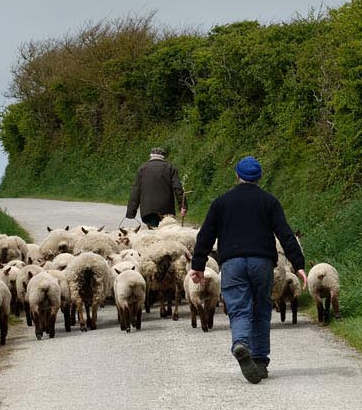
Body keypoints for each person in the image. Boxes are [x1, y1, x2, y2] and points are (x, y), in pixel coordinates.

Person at [190, 156, 305, 384]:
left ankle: (241, 343)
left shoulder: (221, 202)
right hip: (261, 262)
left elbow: (205, 235)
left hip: (232, 262)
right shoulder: (269, 201)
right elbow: (285, 233)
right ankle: (260, 360)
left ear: (237, 175)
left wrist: (198, 266)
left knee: (239, 308)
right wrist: (298, 264)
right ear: (259, 177)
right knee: (262, 308)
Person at [124, 146, 186, 229]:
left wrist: (131, 213)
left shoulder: (143, 168)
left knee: (153, 234)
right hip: (166, 210)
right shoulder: (170, 168)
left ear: (151, 155)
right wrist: (183, 206)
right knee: (166, 233)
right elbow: (178, 188)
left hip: (148, 210)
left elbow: (136, 191)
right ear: (164, 156)